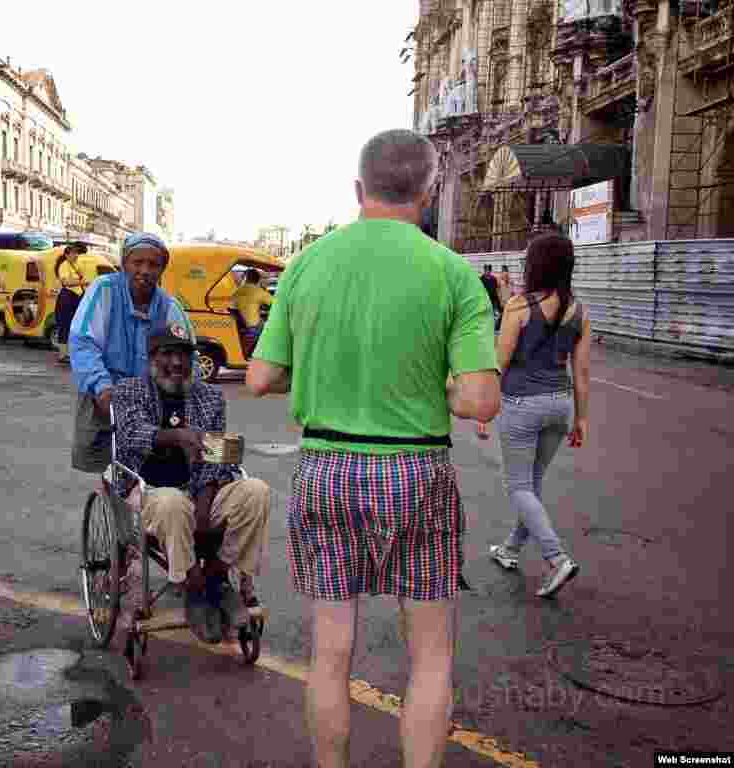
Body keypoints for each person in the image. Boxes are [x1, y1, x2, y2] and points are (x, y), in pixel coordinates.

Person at [247, 129, 500, 768]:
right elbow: (479, 400)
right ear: (431, 189)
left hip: (327, 467)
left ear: (358, 190)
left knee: (330, 654)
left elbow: (261, 378)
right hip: (416, 470)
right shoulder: (453, 273)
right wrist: (428, 380)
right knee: (432, 655)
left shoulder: (306, 264)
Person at [113, 327, 270, 643]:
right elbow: (131, 435)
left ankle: (215, 574)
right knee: (171, 502)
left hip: (197, 490)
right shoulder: (130, 390)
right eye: (167, 354)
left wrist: (204, 498)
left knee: (256, 492)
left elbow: (217, 458)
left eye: (183, 354)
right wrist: (177, 436)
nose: (176, 362)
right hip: (149, 490)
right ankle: (193, 586)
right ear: (152, 358)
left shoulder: (210, 397)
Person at [484, 234, 589, 598]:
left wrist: (484, 410)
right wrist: (581, 419)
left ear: (535, 264)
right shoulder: (579, 310)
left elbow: (500, 363)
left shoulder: (519, 306)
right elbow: (582, 372)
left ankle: (557, 558)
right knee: (533, 484)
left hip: (522, 405)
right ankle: (510, 549)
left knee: (518, 487)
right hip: (559, 406)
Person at [69, 232, 196, 474]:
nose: (145, 270)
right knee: (108, 466)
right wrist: (102, 388)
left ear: (162, 269)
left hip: (150, 400)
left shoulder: (169, 306)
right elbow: (83, 341)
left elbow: (189, 359)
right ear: (124, 263)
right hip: (104, 391)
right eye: (138, 263)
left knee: (151, 466)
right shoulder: (104, 290)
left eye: (153, 264)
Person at [53, 245, 87, 365]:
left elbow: (81, 279)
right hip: (67, 296)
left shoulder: (76, 265)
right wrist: (82, 282)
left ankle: (69, 353)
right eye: (73, 253)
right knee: (65, 324)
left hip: (77, 296)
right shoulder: (63, 266)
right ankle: (62, 354)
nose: (76, 255)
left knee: (74, 326)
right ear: (67, 255)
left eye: (77, 253)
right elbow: (66, 282)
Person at [231, 268, 273, 353]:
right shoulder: (258, 291)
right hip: (253, 326)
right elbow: (275, 304)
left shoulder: (237, 291)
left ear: (246, 279)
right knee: (270, 328)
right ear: (258, 279)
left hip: (239, 324)